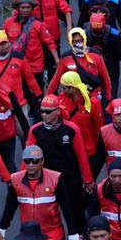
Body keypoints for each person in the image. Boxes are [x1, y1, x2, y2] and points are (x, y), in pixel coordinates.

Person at [26, 95, 94, 232]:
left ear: (58, 111)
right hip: (46, 180)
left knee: (76, 213)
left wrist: (88, 180)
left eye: (48, 111)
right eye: (42, 111)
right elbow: (28, 157)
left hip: (70, 179)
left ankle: (81, 238)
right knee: (47, 214)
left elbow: (81, 157)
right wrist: (22, 179)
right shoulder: (35, 130)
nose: (44, 115)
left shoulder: (71, 129)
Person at [0, 144, 81, 240]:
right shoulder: (15, 179)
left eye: (35, 161)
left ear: (42, 161)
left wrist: (72, 231)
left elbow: (66, 207)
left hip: (52, 235)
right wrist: (3, 226)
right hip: (29, 236)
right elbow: (11, 205)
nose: (31, 164)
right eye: (27, 161)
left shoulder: (55, 178)